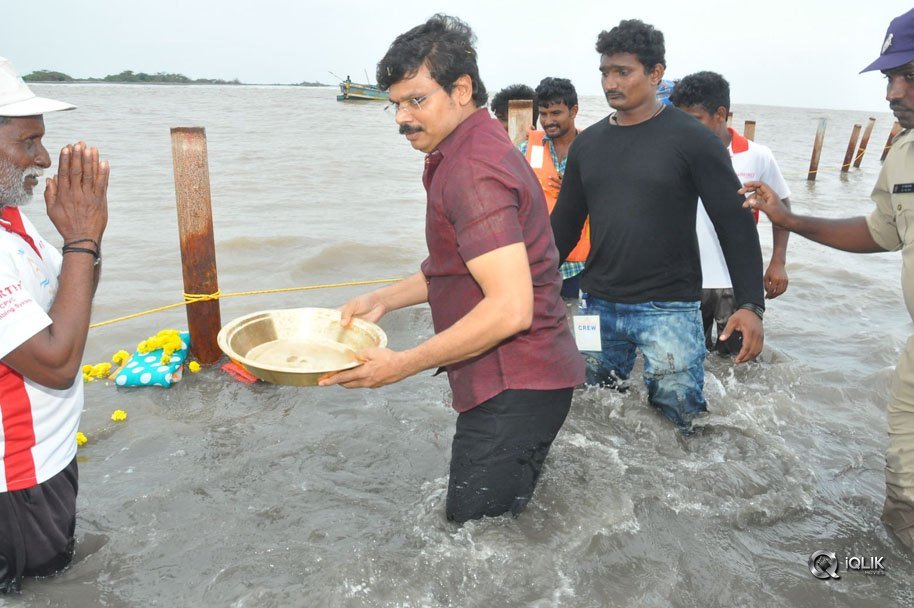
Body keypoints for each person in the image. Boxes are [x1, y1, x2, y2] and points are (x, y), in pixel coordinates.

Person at [319, 15, 584, 522]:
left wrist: (402, 364)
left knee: (474, 538)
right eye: (395, 103)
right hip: (529, 380)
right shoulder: (468, 150)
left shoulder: (471, 170)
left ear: (461, 90)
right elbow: (460, 267)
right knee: (504, 528)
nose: (402, 117)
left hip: (515, 384)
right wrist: (382, 299)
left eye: (416, 100)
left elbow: (509, 309)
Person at [741, 8, 914, 549]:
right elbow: (881, 232)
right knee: (904, 492)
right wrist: (788, 222)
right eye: (889, 77)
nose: (893, 92)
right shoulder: (904, 153)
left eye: (909, 73)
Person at [550, 20, 765, 433]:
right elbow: (564, 227)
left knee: (680, 422)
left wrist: (751, 305)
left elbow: (734, 224)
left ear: (655, 72)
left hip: (669, 309)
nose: (611, 82)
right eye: (605, 72)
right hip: (597, 306)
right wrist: (526, 283)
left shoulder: (692, 140)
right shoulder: (588, 144)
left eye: (623, 71)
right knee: (593, 414)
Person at [0, 56, 109, 592]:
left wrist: (85, 239)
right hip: (15, 480)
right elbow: (56, 364)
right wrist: (82, 239)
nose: (43, 159)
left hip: (47, 460)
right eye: (27, 144)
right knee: (41, 587)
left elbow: (75, 295)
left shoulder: (12, 218)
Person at [670, 71, 791, 355]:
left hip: (734, 283)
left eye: (695, 119)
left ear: (720, 114)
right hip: (686, 282)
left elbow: (783, 208)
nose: (686, 128)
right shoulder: (673, 153)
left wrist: (778, 261)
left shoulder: (757, 155)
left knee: (736, 367)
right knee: (685, 360)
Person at [518, 77, 589, 300]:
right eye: (544, 114)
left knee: (582, 333)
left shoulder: (593, 149)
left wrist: (578, 190)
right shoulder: (524, 150)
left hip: (582, 266)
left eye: (556, 113)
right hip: (537, 264)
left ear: (574, 110)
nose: (548, 121)